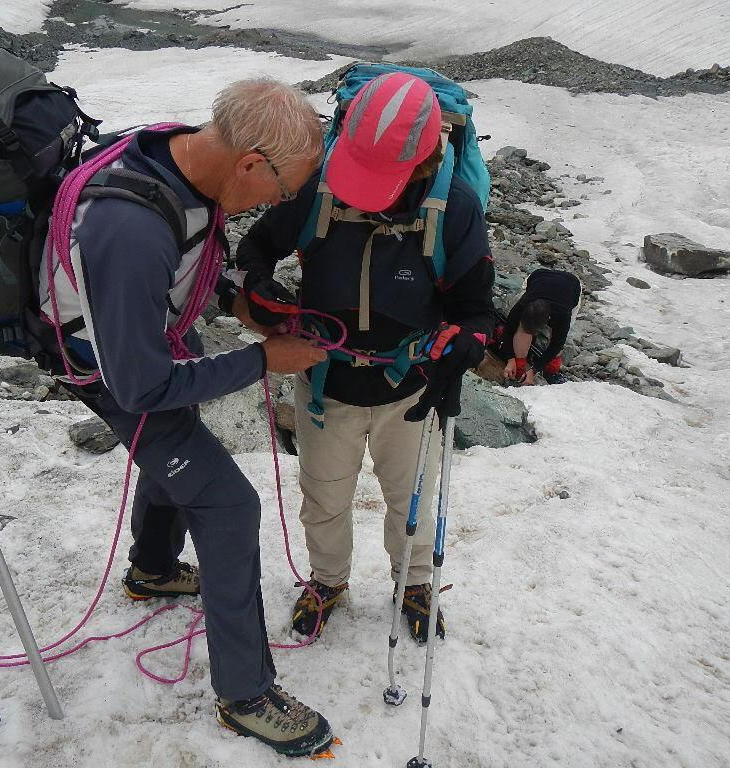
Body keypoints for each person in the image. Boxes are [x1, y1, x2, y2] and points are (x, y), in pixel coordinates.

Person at [38, 78, 335, 757]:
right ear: (251, 163)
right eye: (281, 191)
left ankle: (152, 567)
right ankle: (246, 693)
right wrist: (264, 361)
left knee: (183, 445)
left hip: (151, 340)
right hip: (110, 372)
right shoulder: (131, 230)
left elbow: (191, 254)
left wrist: (241, 298)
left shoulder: (184, 155)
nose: (276, 204)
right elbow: (141, 388)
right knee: (229, 505)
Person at [235, 72, 494, 644]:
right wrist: (258, 286)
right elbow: (255, 248)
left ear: (423, 164)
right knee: (324, 497)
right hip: (327, 381)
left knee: (411, 498)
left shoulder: (453, 208)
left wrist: (468, 343)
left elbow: (476, 310)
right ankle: (329, 581)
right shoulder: (317, 190)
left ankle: (415, 583)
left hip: (411, 389)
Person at [488, 268, 582, 385]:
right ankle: (520, 365)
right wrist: (510, 359)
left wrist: (534, 370)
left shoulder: (563, 314)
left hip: (571, 286)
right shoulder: (523, 304)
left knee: (557, 338)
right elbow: (509, 329)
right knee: (521, 330)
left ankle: (551, 370)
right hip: (539, 277)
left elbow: (557, 343)